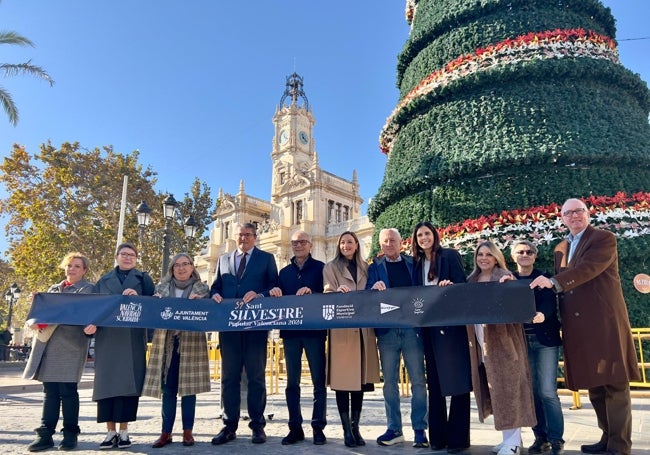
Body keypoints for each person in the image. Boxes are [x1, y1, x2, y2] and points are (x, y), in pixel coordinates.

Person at [530, 198, 640, 455]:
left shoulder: (603, 239)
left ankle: (620, 445)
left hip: (604, 322)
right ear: (562, 218)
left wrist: (554, 282)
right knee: (595, 385)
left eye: (579, 211)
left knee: (614, 383)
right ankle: (606, 438)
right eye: (568, 213)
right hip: (577, 328)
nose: (574, 216)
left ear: (588, 213)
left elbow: (589, 269)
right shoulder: (560, 248)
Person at [210, 223, 278, 445]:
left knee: (256, 376)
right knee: (229, 377)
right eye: (240, 235)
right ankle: (229, 426)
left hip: (256, 328)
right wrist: (215, 295)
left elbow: (275, 287)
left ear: (255, 237)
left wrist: (260, 294)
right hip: (229, 329)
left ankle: (257, 426)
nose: (243, 238)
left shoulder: (266, 259)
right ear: (235, 237)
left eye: (248, 235)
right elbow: (215, 287)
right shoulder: (223, 259)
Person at [466, 240, 536, 455]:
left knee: (509, 390)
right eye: (480, 254)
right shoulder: (472, 280)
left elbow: (518, 308)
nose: (484, 258)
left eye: (488, 254)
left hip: (504, 344)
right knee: (495, 390)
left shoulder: (505, 277)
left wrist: (511, 288)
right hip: (481, 342)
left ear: (496, 257)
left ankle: (513, 442)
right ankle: (509, 438)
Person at [86, 242, 155, 450]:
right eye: (124, 254)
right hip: (107, 339)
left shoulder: (144, 279)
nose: (127, 257)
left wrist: (140, 298)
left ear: (136, 259)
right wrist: (91, 325)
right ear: (116, 256)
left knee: (128, 386)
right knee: (106, 386)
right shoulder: (103, 281)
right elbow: (94, 307)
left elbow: (155, 305)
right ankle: (110, 432)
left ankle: (124, 431)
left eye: (132, 255)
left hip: (132, 339)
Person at [23, 252, 94, 451]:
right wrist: (37, 302)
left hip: (72, 345)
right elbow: (42, 313)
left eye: (77, 266)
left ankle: (70, 434)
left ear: (85, 270)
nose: (72, 269)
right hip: (49, 344)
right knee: (50, 392)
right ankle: (45, 434)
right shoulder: (53, 289)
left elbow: (85, 312)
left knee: (68, 391)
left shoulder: (89, 289)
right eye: (69, 265)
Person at [411, 221, 472, 453]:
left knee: (456, 381)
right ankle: (438, 438)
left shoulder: (449, 256)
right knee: (434, 383)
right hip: (428, 327)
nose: (424, 238)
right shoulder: (417, 263)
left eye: (427, 233)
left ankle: (458, 440)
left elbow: (462, 285)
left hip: (450, 327)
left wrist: (450, 286)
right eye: (419, 235)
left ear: (434, 235)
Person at [366, 228, 428, 448]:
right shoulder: (374, 268)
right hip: (387, 332)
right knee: (389, 383)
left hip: (412, 330)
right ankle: (394, 429)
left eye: (393, 240)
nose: (389, 244)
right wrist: (373, 288)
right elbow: (366, 293)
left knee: (418, 381)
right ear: (380, 244)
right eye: (385, 241)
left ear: (401, 243)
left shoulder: (414, 264)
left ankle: (420, 430)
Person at [142, 253, 211, 448]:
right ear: (171, 269)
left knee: (189, 391)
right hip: (167, 344)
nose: (181, 268)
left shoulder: (203, 289)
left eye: (185, 264)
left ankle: (187, 432)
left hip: (191, 344)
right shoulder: (161, 288)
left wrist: (203, 303)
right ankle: (166, 433)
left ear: (192, 267)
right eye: (177, 265)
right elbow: (152, 314)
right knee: (168, 390)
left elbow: (211, 314)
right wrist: (153, 302)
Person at [269, 230, 327, 445]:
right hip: (291, 334)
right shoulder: (283, 273)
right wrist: (274, 292)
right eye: (295, 242)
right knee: (291, 383)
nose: (298, 245)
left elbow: (329, 296)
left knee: (318, 382)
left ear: (310, 244)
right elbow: (276, 296)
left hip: (314, 332)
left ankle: (318, 427)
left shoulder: (322, 268)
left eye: (302, 241)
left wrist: (313, 293)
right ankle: (295, 428)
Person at [323, 231, 380, 448]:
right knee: (342, 382)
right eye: (343, 242)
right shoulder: (330, 267)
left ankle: (356, 428)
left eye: (350, 242)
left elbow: (373, 291)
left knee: (359, 382)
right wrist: (336, 290)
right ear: (339, 246)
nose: (346, 245)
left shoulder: (367, 267)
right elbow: (326, 291)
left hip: (364, 330)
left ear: (357, 245)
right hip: (343, 330)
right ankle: (347, 430)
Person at [510, 240, 564, 455]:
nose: (525, 254)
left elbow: (550, 303)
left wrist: (543, 314)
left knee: (548, 391)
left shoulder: (544, 277)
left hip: (545, 342)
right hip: (521, 343)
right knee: (532, 392)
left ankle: (556, 439)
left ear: (534, 256)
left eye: (529, 251)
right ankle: (540, 437)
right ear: (513, 256)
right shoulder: (508, 280)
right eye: (520, 251)